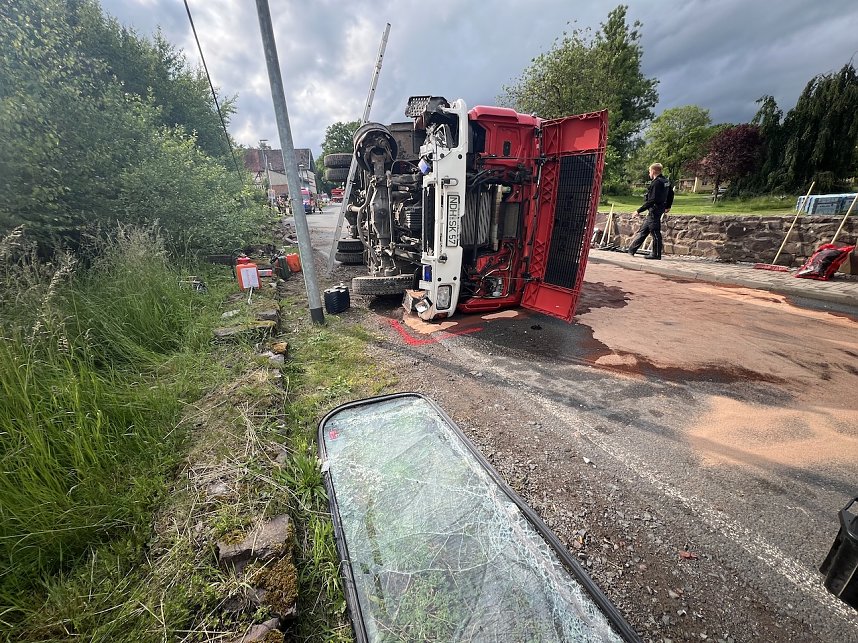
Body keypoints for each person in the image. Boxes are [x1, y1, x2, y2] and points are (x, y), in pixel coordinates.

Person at [628, 163, 670, 260]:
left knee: (655, 233)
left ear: (653, 171)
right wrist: (668, 206)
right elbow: (671, 194)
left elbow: (652, 200)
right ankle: (631, 250)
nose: (649, 173)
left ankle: (656, 254)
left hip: (654, 210)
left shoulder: (656, 183)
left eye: (650, 171)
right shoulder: (665, 181)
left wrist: (638, 211)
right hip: (659, 208)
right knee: (644, 230)